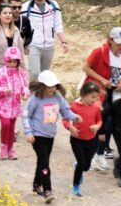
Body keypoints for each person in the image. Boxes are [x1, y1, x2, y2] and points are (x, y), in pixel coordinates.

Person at [81, 27, 121, 170]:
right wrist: (103, 80)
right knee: (99, 122)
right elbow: (86, 68)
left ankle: (100, 154)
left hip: (117, 92)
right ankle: (91, 155)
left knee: (111, 124)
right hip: (99, 91)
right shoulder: (100, 51)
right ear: (110, 40)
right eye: (118, 43)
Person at [23, 70, 81, 204]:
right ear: (42, 86)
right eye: (49, 86)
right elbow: (26, 115)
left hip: (50, 135)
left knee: (42, 160)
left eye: (54, 86)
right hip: (37, 135)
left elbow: (65, 111)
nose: (52, 89)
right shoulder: (35, 99)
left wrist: (75, 118)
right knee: (44, 162)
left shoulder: (57, 98)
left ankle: (36, 185)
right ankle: (47, 190)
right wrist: (28, 132)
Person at [0, 4, 24, 138]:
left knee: (13, 99)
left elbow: (21, 52)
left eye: (10, 13)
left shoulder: (16, 30)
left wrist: (23, 71)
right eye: (5, 13)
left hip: (13, 69)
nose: (8, 15)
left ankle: (10, 129)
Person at [63, 82, 102, 197]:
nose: (95, 99)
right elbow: (65, 119)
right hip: (77, 140)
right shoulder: (74, 106)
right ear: (83, 95)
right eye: (92, 97)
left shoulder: (96, 108)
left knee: (86, 166)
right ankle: (76, 186)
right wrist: (70, 127)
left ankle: (79, 166)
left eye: (96, 97)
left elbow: (99, 120)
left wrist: (97, 126)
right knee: (81, 163)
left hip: (92, 140)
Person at [23, 0, 68, 80]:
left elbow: (58, 25)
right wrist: (24, 44)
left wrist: (63, 41)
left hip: (49, 45)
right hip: (33, 45)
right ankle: (33, 95)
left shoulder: (54, 5)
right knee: (34, 73)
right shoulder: (26, 7)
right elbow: (22, 27)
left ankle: (42, 95)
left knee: (44, 75)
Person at [0, 47, 29, 160]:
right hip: (3, 105)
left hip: (15, 105)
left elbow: (25, 87)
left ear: (18, 62)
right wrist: (2, 91)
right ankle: (3, 146)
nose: (12, 64)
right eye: (10, 61)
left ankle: (11, 149)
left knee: (11, 127)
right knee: (5, 124)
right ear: (6, 60)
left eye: (15, 61)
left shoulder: (22, 74)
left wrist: (25, 93)